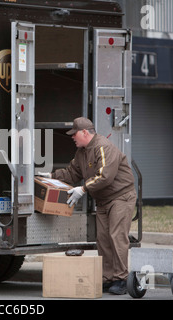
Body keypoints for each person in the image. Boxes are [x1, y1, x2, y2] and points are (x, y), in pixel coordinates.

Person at [39, 117, 136, 295]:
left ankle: (122, 278)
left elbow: (105, 176)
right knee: (103, 239)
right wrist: (50, 175)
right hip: (104, 200)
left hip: (120, 197)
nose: (72, 138)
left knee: (116, 236)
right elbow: (71, 173)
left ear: (85, 132)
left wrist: (83, 189)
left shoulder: (103, 147)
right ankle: (108, 278)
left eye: (74, 134)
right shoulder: (82, 152)